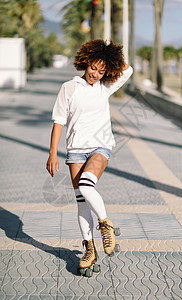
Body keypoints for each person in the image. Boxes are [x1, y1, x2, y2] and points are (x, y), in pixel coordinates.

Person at [46, 39, 133, 272]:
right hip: (75, 150)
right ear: (85, 63)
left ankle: (106, 225)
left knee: (86, 186)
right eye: (93, 68)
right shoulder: (69, 87)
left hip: (100, 146)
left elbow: (128, 70)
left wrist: (108, 51)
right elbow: (59, 121)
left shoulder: (106, 86)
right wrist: (52, 154)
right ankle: (89, 248)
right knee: (82, 202)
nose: (95, 74)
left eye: (101, 71)